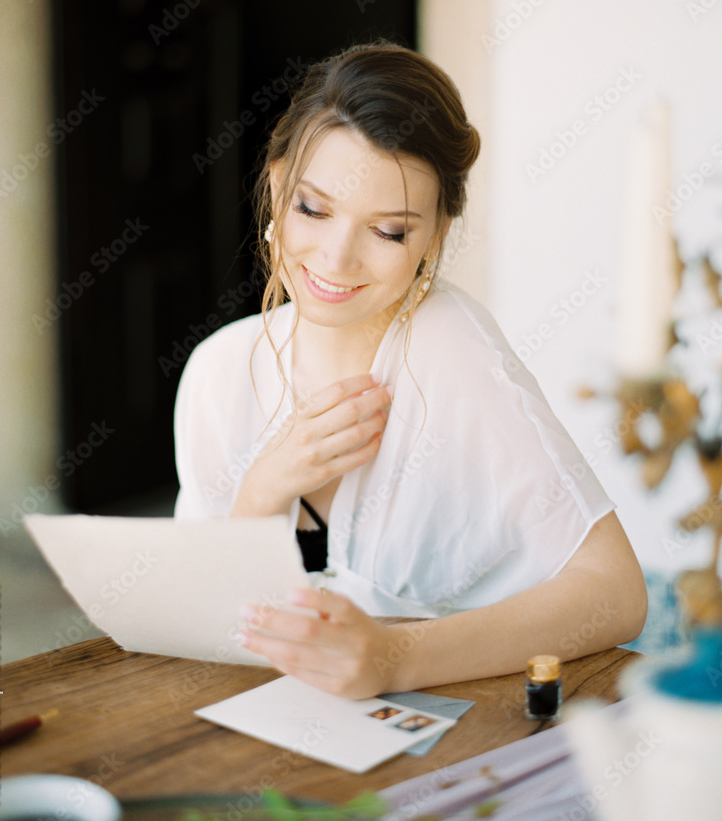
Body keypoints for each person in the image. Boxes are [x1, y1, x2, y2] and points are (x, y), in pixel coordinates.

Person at [174, 42, 647, 700]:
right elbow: (196, 623)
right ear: (278, 189)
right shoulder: (217, 371)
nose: (336, 259)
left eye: (389, 231)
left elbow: (617, 593)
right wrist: (263, 491)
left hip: (485, 726)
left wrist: (394, 657)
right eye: (314, 208)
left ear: (436, 236)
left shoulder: (449, 349)